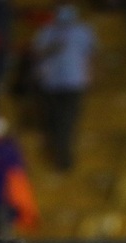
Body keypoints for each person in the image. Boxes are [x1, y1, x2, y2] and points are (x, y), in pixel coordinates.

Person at [33, 4, 96, 171]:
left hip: (73, 82)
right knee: (53, 121)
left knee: (67, 121)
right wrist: (52, 49)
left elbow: (90, 54)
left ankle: (64, 158)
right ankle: (59, 155)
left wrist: (89, 76)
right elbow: (37, 53)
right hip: (51, 83)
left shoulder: (82, 31)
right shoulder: (47, 31)